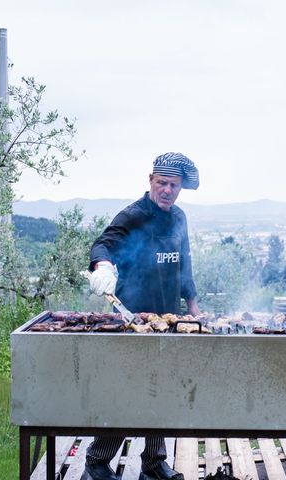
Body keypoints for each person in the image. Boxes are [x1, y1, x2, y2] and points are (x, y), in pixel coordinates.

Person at [83, 152, 201, 480]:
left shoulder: (179, 218)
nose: (167, 190)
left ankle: (153, 463)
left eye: (173, 185)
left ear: (180, 188)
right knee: (127, 391)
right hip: (132, 320)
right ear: (150, 180)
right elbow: (102, 245)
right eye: (162, 183)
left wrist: (193, 310)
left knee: (159, 389)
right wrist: (103, 266)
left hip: (168, 320)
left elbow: (185, 267)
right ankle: (96, 462)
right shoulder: (132, 216)